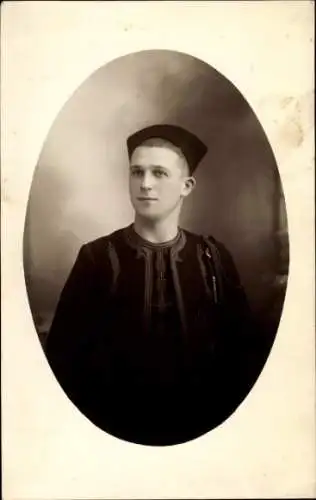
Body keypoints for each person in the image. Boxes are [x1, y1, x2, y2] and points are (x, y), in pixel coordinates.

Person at [46, 124, 259, 446]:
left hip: (204, 426)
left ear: (187, 186)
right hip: (113, 428)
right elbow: (64, 356)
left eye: (159, 173)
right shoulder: (98, 257)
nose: (145, 184)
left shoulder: (212, 256)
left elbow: (243, 353)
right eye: (137, 172)